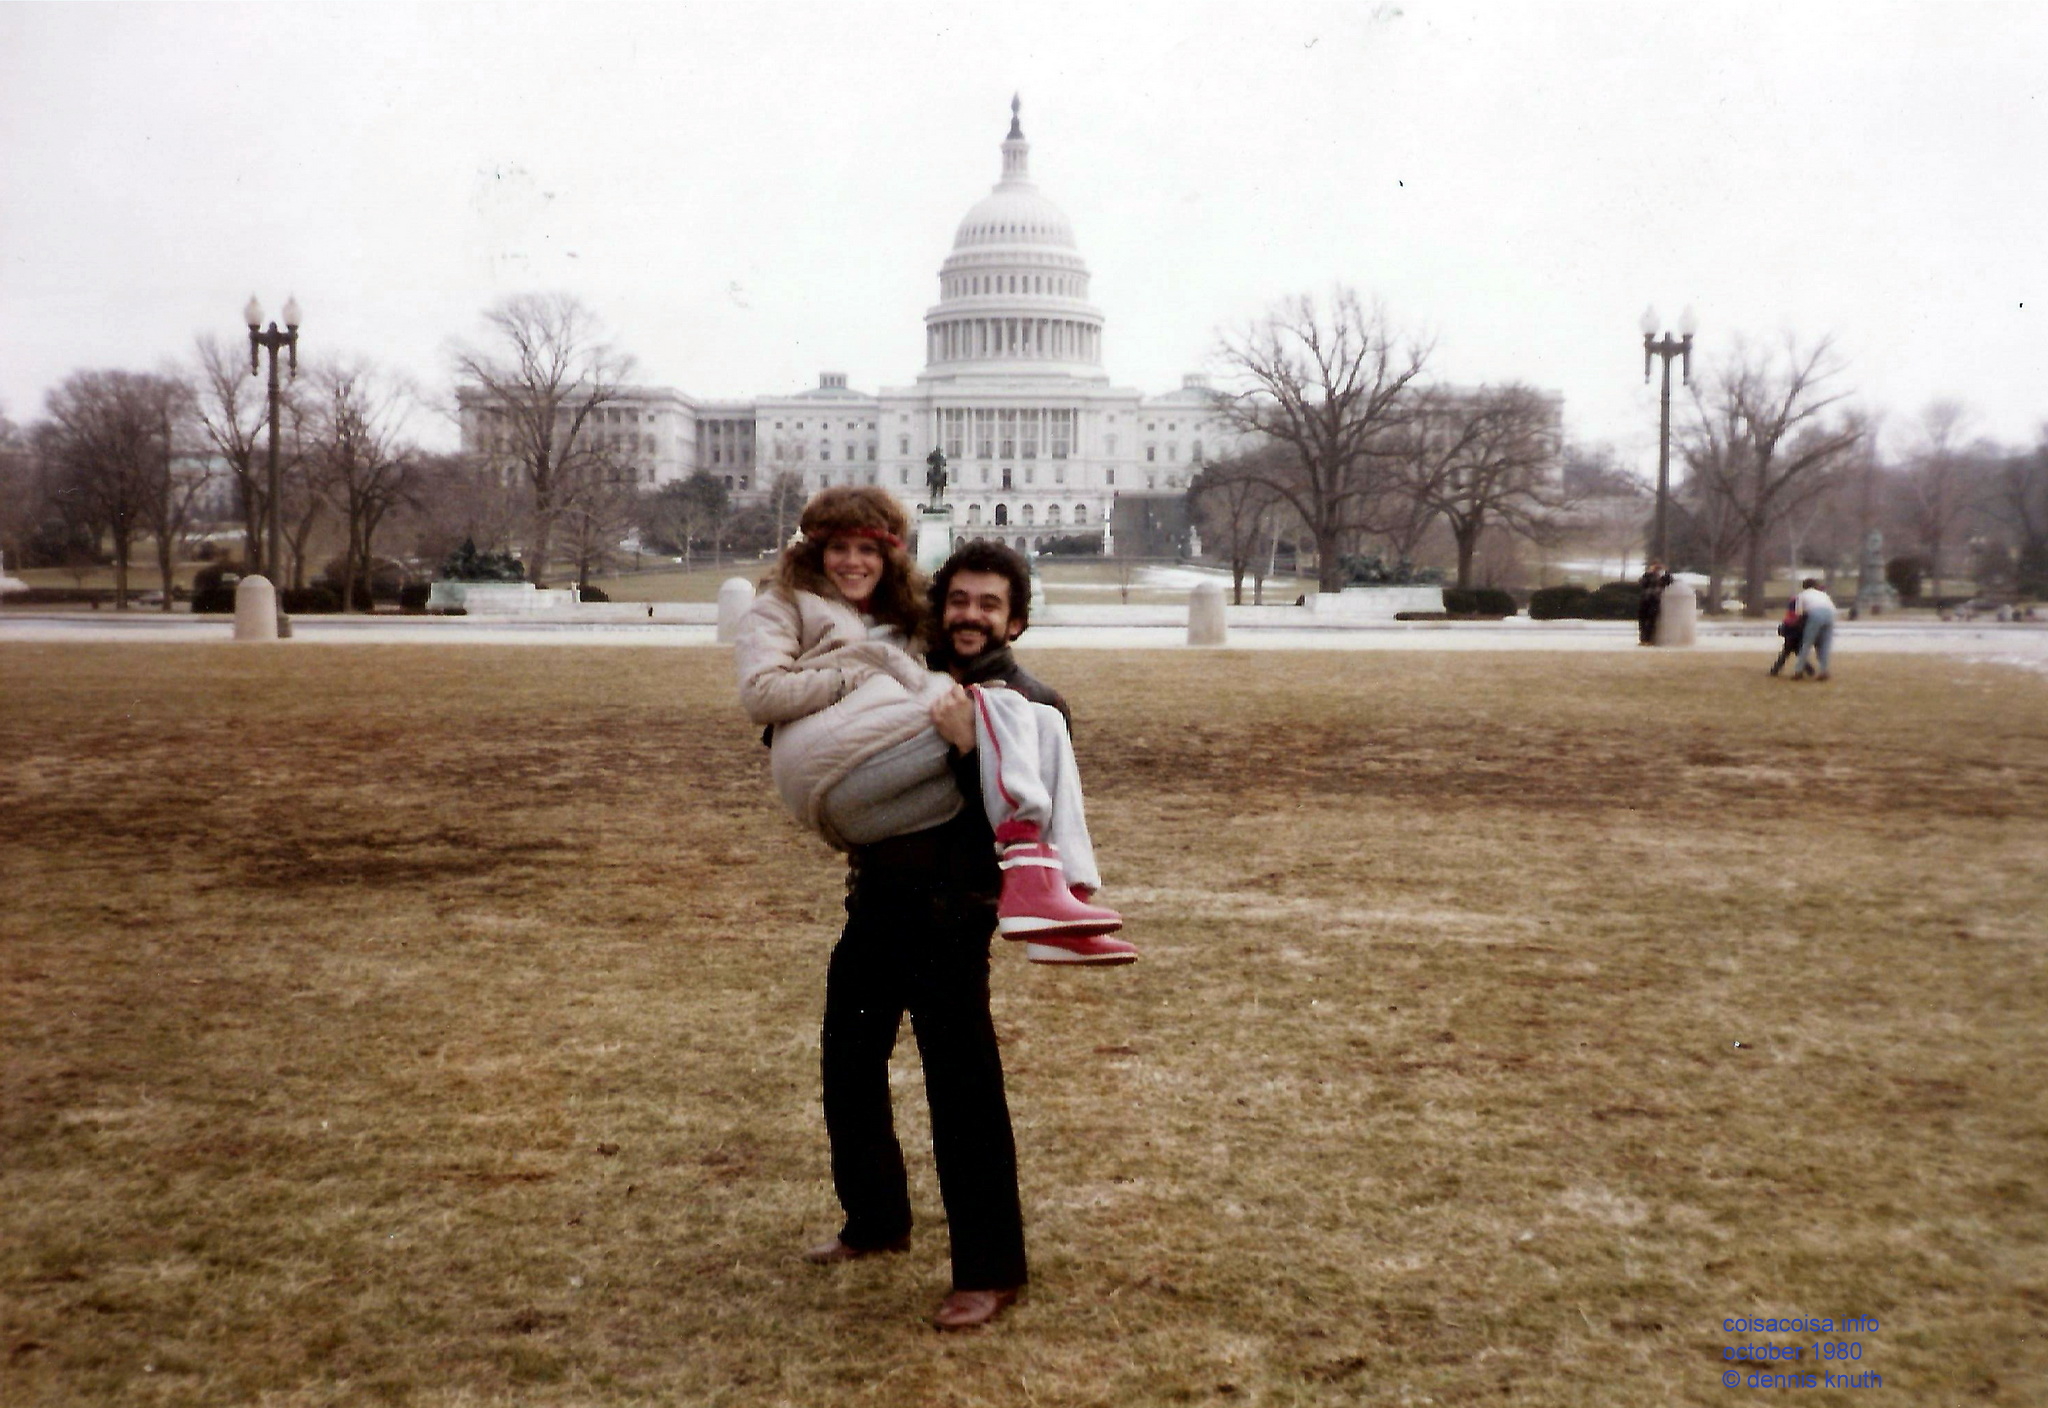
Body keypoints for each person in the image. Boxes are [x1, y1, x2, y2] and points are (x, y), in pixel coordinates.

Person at [734, 488, 1129, 956]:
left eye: (867, 549)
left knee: (1042, 719)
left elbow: (958, 646)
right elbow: (762, 694)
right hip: (825, 765)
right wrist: (862, 675)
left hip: (881, 772)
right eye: (838, 547)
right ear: (816, 551)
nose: (853, 562)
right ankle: (1029, 876)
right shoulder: (786, 601)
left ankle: (1067, 901)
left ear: (889, 556)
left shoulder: (903, 614)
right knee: (1001, 707)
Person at [1790, 577, 1837, 681]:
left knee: (1807, 643)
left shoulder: (1802, 595)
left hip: (1815, 614)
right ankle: (1824, 671)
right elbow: (1832, 608)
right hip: (1830, 615)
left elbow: (1799, 613)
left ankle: (1798, 671)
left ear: (1804, 586)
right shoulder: (1823, 594)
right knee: (1825, 645)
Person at [1637, 561, 1674, 646]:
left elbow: (1668, 582)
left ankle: (1648, 639)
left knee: (1651, 620)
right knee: (1643, 620)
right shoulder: (1647, 575)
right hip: (1646, 599)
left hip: (1654, 600)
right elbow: (1642, 583)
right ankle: (1643, 639)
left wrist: (1664, 574)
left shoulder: (1664, 576)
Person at [1768, 597, 1801, 677]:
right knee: (1795, 651)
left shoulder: (1791, 613)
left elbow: (1787, 621)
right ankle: (1809, 669)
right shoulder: (1799, 612)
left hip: (1790, 631)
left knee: (1787, 652)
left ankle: (1775, 670)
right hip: (1796, 631)